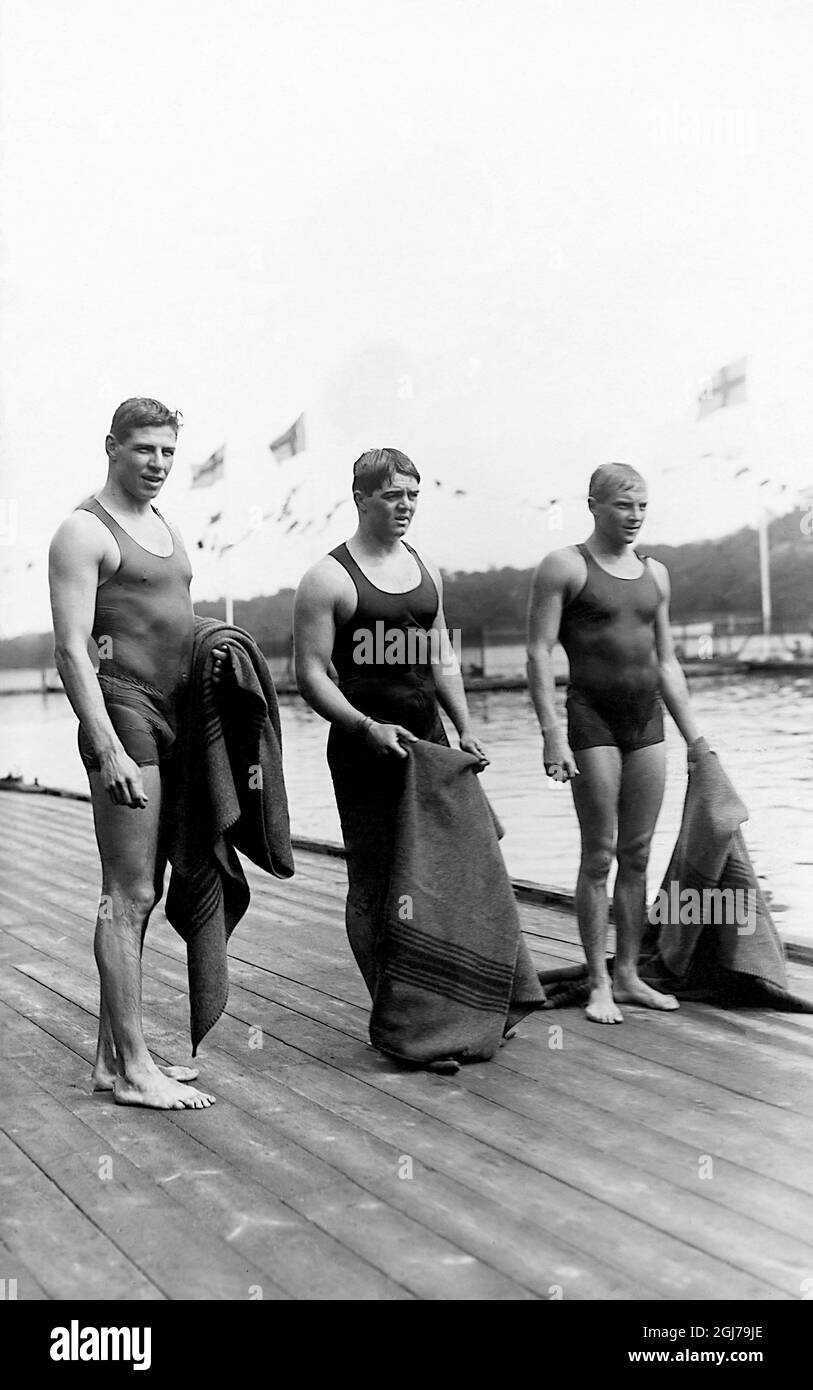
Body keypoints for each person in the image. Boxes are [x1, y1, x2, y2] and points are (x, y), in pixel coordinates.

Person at [49, 398, 228, 1107]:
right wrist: (106, 745)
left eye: (167, 453)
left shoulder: (167, 527)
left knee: (139, 895)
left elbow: (169, 623)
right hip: (121, 715)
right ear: (111, 447)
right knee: (127, 895)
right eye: (144, 450)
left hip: (171, 718)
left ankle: (110, 1059)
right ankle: (132, 1070)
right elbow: (70, 649)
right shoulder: (82, 531)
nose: (157, 464)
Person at [294, 447, 488, 1010]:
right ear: (360, 498)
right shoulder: (327, 578)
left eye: (413, 495)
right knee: (375, 882)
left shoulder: (425, 568)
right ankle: (392, 1011)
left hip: (429, 744)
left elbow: (440, 655)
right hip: (365, 748)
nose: (406, 506)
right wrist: (364, 726)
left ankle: (445, 1005)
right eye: (392, 495)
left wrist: (465, 728)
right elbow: (309, 676)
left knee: (440, 873)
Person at [527, 462, 703, 1024]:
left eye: (643, 507)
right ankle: (597, 980)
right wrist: (553, 733)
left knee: (639, 852)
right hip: (590, 721)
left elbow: (668, 662)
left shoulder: (657, 573)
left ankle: (627, 973)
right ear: (594, 506)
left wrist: (696, 739)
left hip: (646, 721)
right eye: (624, 506)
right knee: (599, 852)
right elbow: (537, 652)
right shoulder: (565, 566)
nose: (635, 517)